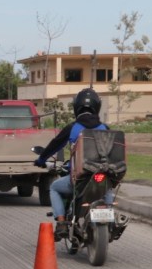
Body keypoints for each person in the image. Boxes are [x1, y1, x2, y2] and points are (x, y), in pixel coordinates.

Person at [34, 87, 111, 240]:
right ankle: (110, 219)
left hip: (79, 178)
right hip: (102, 175)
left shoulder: (73, 128)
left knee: (54, 188)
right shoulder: (105, 128)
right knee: (107, 189)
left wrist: (41, 160)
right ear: (97, 106)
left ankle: (61, 222)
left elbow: (54, 145)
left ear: (76, 107)